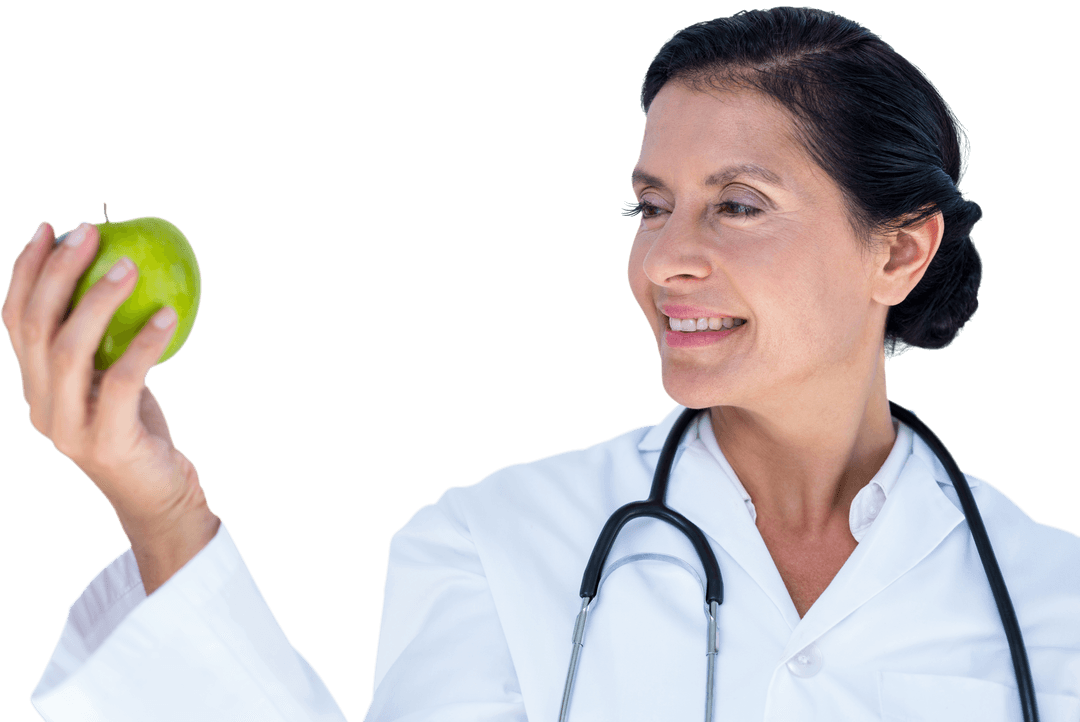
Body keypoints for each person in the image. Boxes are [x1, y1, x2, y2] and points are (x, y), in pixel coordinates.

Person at [4, 6, 1077, 722]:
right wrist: (164, 510)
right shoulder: (499, 541)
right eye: (651, 208)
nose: (668, 258)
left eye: (736, 206)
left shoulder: (1056, 602)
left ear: (900, 247)